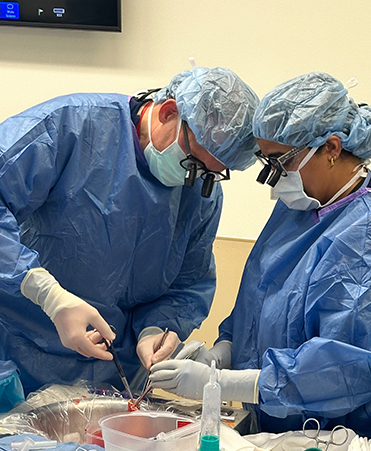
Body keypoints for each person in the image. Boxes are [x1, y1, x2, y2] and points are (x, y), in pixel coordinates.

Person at [150, 71, 371, 451]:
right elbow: (263, 294)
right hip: (277, 435)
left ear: (332, 149)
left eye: (280, 163)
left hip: (343, 450)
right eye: (266, 163)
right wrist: (224, 352)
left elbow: (352, 367)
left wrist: (234, 383)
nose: (274, 178)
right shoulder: (302, 205)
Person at [0, 65, 259, 412]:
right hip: (14, 356)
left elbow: (187, 283)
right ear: (168, 112)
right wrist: (47, 294)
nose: (193, 180)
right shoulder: (70, 127)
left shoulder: (200, 191)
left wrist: (156, 328)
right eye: (193, 164)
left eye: (210, 174)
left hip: (110, 377)